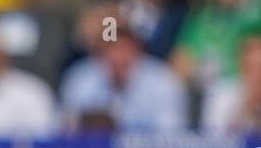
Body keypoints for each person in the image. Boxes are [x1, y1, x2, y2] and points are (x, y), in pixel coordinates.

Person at [59, 28, 187, 132]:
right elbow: (68, 129)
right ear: (100, 54)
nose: (118, 56)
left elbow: (170, 136)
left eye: (125, 50)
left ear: (138, 52)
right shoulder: (81, 78)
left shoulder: (163, 81)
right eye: (112, 50)